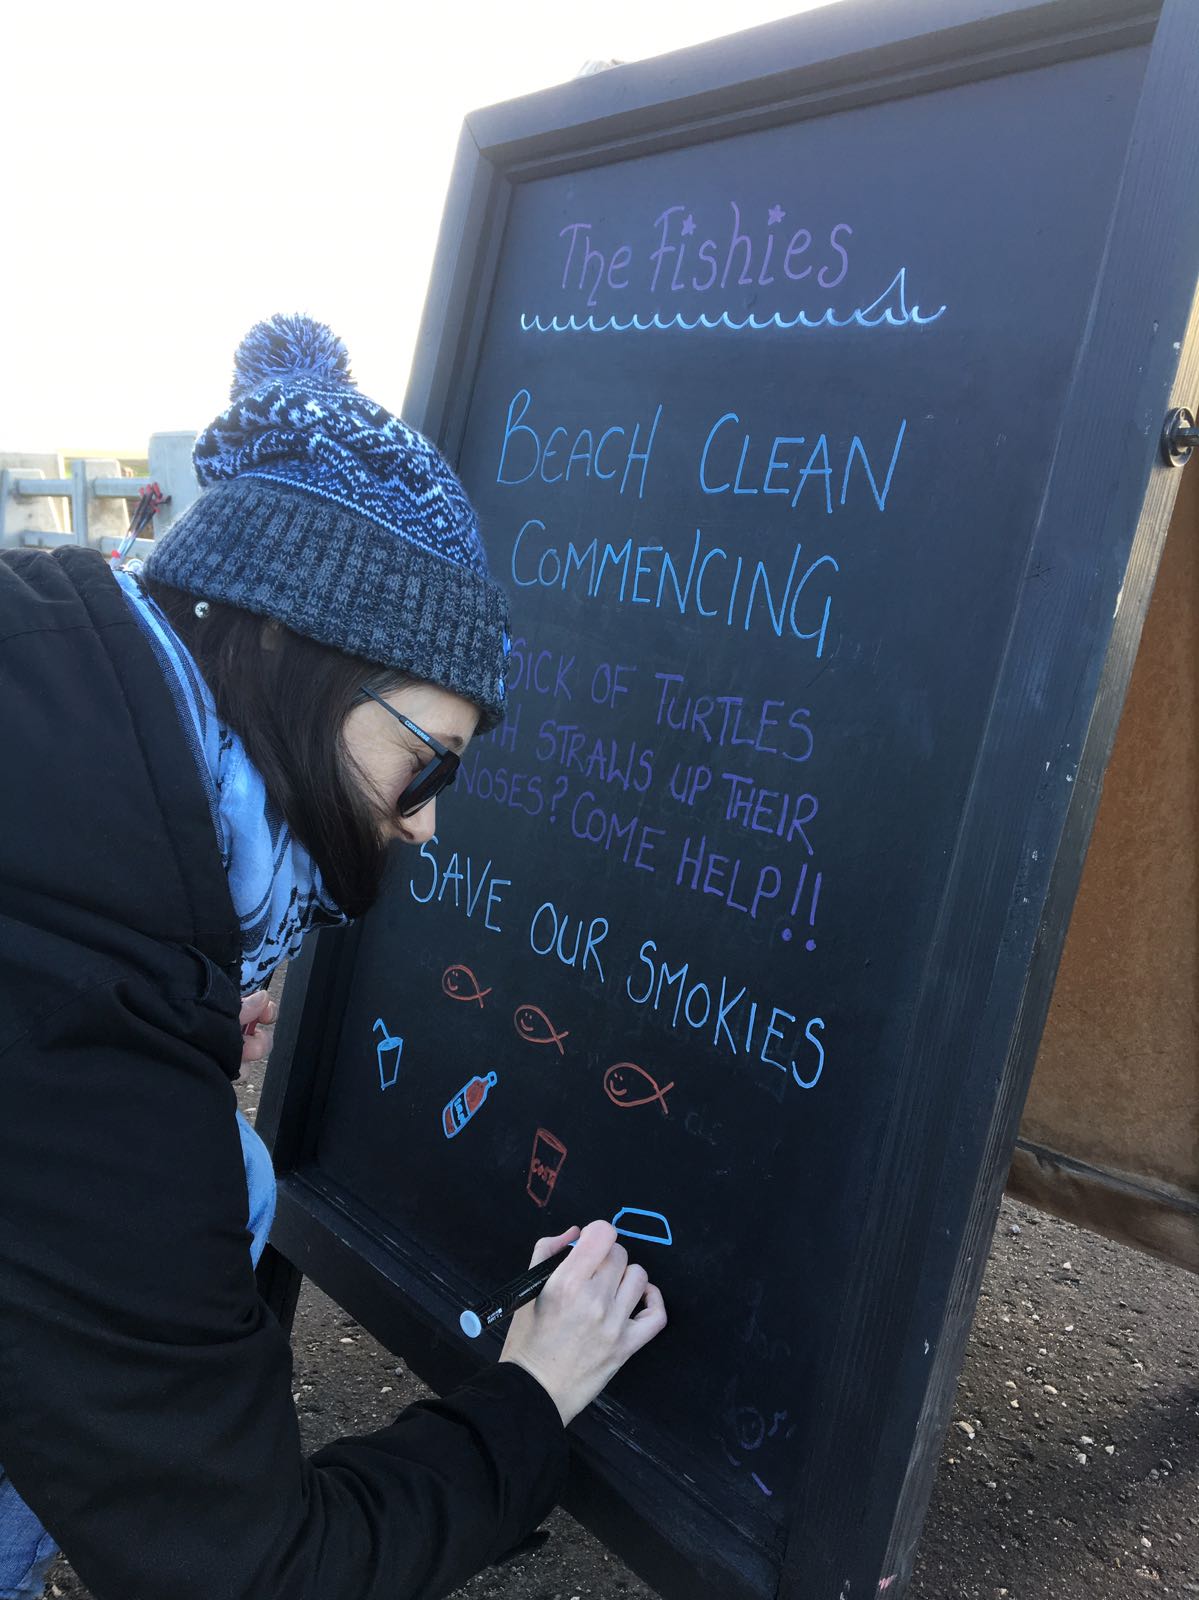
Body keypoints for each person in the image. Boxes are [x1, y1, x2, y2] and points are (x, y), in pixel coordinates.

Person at [0, 314, 667, 1600]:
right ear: (293, 657)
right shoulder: (80, 1055)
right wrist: (526, 1397)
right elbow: (252, 1568)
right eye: (428, 760)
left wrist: (174, 1029)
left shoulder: (53, 703)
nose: (425, 823)